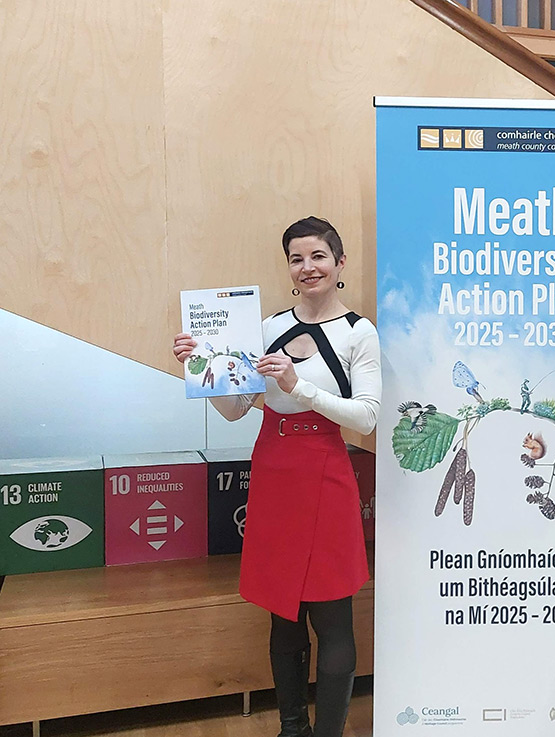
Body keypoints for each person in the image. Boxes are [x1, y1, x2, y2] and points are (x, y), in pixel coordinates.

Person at [173, 216, 381, 737]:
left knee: (332, 614)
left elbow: (367, 417)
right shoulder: (266, 328)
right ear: (288, 267)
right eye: (296, 258)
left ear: (339, 263)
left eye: (318, 256)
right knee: (282, 613)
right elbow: (235, 409)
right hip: (274, 471)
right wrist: (199, 368)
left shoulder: (359, 332)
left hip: (327, 471)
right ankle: (292, 728)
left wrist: (298, 386)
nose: (308, 267)